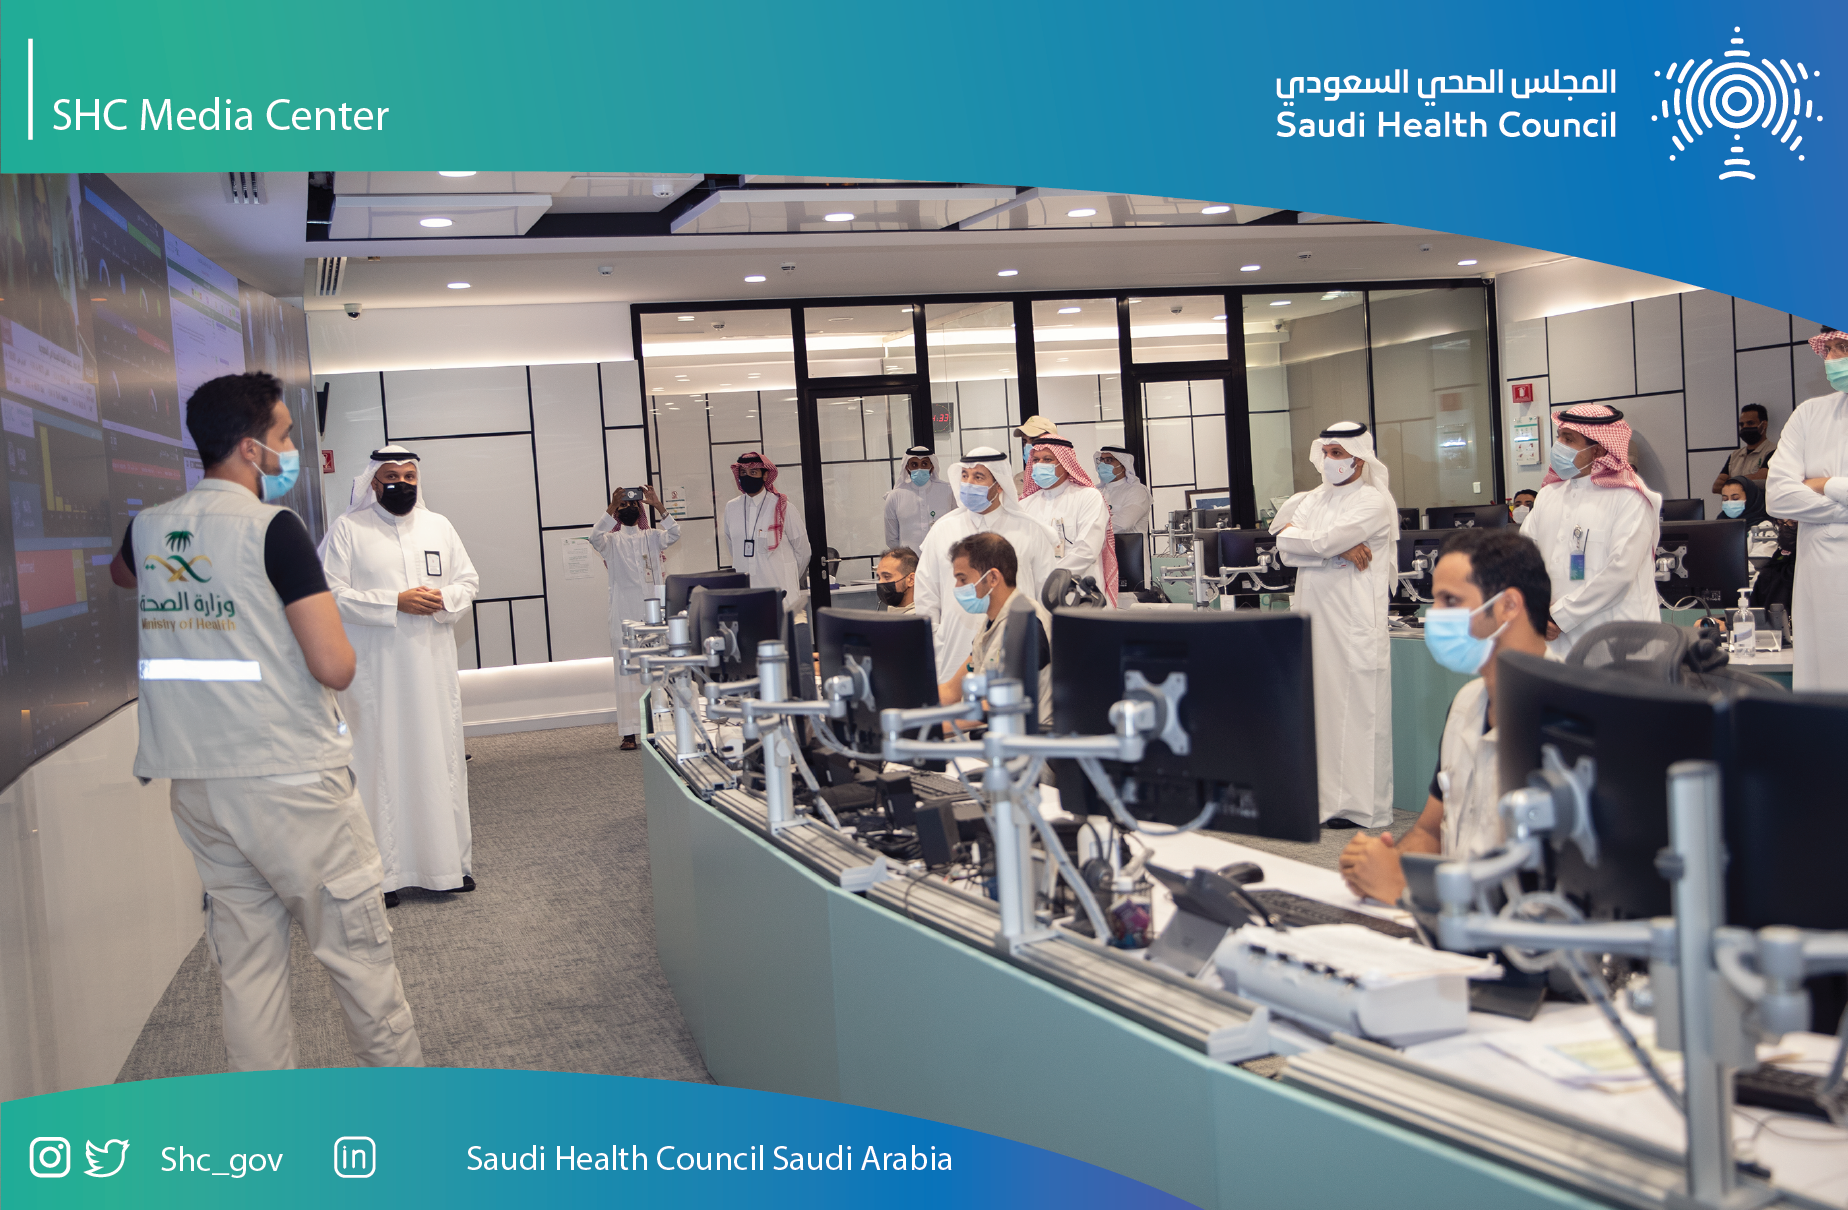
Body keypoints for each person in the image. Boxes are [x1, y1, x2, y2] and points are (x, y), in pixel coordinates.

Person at [108, 371, 422, 1070]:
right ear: (252, 449)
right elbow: (334, 666)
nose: (290, 452)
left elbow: (122, 575)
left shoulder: (148, 526)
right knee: (359, 959)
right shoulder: (274, 529)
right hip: (291, 782)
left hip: (198, 785)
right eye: (284, 436)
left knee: (247, 969)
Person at [1338, 528, 1555, 904]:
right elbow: (1430, 831)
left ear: (1508, 606)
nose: (1434, 615)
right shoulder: (1468, 704)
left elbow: (1547, 892)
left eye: (1450, 601)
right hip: (1452, 916)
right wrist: (1386, 863)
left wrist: (1404, 890)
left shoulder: (1567, 722)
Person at [321, 446, 481, 906]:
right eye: (391, 476)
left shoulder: (439, 526)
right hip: (376, 676)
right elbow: (329, 591)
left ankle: (446, 867)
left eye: (409, 476)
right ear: (373, 482)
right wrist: (394, 601)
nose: (401, 483)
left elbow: (468, 581)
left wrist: (444, 598)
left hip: (431, 671)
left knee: (438, 760)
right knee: (378, 764)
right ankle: (383, 876)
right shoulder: (348, 529)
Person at [1269, 421, 1398, 828]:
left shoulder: (1373, 502)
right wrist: (1334, 550)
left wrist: (1320, 545)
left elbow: (1315, 542)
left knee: (1360, 711)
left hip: (1354, 619)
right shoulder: (1311, 498)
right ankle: (1323, 801)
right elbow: (1285, 546)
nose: (1328, 461)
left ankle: (1361, 807)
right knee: (1318, 707)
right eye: (1325, 452)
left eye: (1337, 453)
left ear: (1359, 459)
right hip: (1314, 615)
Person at [1520, 405, 1662, 655]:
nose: (1559, 446)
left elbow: (1620, 572)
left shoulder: (1629, 498)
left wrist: (1559, 617)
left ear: (1598, 449)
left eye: (1569, 439)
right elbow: (1522, 557)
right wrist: (1535, 608)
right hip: (1556, 641)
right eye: (1559, 437)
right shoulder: (1548, 495)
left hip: (1619, 642)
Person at [914, 448, 1057, 683]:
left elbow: (1046, 594)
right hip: (952, 649)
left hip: (1014, 648)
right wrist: (934, 641)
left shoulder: (1029, 530)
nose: (969, 483)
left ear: (999, 485)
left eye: (978, 477)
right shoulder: (942, 529)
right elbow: (926, 594)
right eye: (965, 476)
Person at [1765, 327, 1848, 691]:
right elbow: (1778, 497)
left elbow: (1795, 495)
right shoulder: (1809, 414)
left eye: (1842, 347)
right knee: (1823, 687)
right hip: (1820, 582)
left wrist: (1822, 483)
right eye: (1828, 349)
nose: (1832, 359)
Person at [587, 485, 680, 751]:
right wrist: (611, 506)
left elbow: (675, 533)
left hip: (653, 616)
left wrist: (658, 505)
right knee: (626, 673)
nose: (628, 509)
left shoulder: (652, 537)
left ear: (640, 510)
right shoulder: (611, 542)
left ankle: (659, 728)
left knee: (656, 670)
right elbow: (594, 537)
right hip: (623, 615)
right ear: (617, 513)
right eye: (623, 506)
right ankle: (629, 732)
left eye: (632, 505)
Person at [937, 532, 1054, 726]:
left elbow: (1002, 704)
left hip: (1023, 738)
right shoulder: (991, 624)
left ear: (992, 578)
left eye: (963, 579)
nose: (957, 587)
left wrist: (934, 727)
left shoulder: (1026, 625)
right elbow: (951, 692)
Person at [1019, 436, 1118, 606]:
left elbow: (1087, 550)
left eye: (1047, 459)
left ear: (1065, 463)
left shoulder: (1088, 497)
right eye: (1035, 460)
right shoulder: (1025, 504)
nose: (1039, 464)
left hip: (1077, 593)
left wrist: (1050, 579)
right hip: (1033, 594)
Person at [722, 451, 810, 600]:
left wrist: (789, 576)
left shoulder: (782, 507)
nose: (747, 476)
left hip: (781, 594)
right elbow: (733, 548)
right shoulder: (731, 507)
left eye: (753, 472)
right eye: (743, 473)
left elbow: (803, 551)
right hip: (746, 595)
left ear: (765, 475)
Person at [882, 446, 956, 550]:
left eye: (924, 464)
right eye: (914, 465)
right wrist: (906, 558)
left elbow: (957, 527)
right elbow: (891, 539)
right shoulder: (894, 497)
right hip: (909, 559)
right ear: (907, 468)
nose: (919, 468)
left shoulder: (948, 491)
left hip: (942, 557)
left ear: (932, 467)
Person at [1710, 403, 1777, 495]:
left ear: (1764, 424)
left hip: (1760, 504)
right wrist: (1744, 480)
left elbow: (1763, 478)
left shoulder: (1775, 451)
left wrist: (1730, 481)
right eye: (1742, 424)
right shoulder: (1735, 456)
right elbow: (1716, 487)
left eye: (1750, 423)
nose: (1745, 427)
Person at [1718, 475, 1777, 557]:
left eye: (1735, 499)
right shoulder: (1719, 524)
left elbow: (1757, 562)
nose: (1729, 503)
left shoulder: (1766, 528)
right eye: (1725, 499)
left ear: (1750, 497)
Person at [1014, 415, 1060, 493]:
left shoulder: (1073, 487)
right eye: (1025, 441)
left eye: (1034, 440)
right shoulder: (1019, 480)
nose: (1028, 446)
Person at [874, 546, 919, 613]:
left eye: (887, 577)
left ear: (911, 579)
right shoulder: (892, 611)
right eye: (879, 578)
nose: (881, 582)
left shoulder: (920, 616)